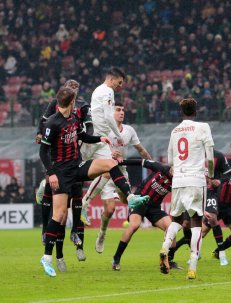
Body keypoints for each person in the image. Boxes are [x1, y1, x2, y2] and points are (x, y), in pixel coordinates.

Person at [39, 86, 149, 277]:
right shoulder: (52, 123)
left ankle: (130, 196)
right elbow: (43, 151)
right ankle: (47, 258)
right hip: (61, 173)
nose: (77, 104)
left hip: (77, 165)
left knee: (110, 164)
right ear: (71, 102)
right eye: (75, 101)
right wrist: (51, 173)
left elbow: (82, 136)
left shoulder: (74, 118)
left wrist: (100, 138)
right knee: (59, 215)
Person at [35, 79, 92, 262]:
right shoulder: (56, 105)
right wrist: (40, 133)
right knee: (59, 210)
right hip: (57, 158)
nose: (73, 92)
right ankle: (48, 236)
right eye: (70, 88)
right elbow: (44, 122)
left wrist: (89, 138)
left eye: (75, 89)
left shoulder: (82, 106)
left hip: (75, 154)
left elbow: (87, 126)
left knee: (75, 196)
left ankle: (75, 232)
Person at [159, 98, 214, 279]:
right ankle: (192, 265)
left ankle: (165, 247)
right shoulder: (203, 127)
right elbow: (211, 156)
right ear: (196, 110)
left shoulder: (175, 131)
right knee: (196, 222)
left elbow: (170, 160)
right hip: (196, 180)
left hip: (178, 181)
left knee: (175, 220)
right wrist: (211, 175)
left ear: (181, 111)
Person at [92, 102, 151, 254]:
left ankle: (119, 195)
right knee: (110, 209)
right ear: (111, 113)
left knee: (126, 201)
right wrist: (108, 154)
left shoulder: (129, 130)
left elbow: (140, 149)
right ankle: (102, 234)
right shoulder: (104, 129)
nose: (122, 112)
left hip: (122, 172)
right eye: (118, 110)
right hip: (106, 172)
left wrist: (153, 164)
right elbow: (94, 150)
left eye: (123, 110)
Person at [80, 67, 128, 225]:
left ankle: (84, 203)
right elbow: (108, 117)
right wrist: (119, 136)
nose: (119, 86)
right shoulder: (107, 91)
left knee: (110, 168)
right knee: (70, 170)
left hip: (101, 140)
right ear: (112, 79)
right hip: (93, 139)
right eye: (119, 82)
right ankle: (44, 186)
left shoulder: (100, 90)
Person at [168, 149, 231, 266]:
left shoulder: (218, 156)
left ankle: (222, 254)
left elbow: (228, 173)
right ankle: (195, 253)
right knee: (186, 225)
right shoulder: (191, 154)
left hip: (210, 193)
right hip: (193, 192)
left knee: (212, 219)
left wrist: (219, 180)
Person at [112, 158, 174, 271]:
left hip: (154, 207)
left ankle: (169, 261)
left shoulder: (178, 182)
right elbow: (140, 162)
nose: (175, 171)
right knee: (134, 225)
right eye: (174, 168)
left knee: (171, 228)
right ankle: (116, 258)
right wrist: (121, 162)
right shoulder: (160, 167)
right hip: (139, 200)